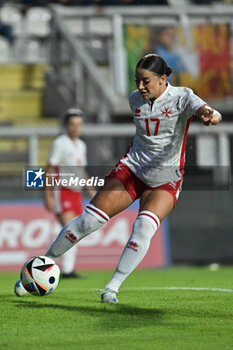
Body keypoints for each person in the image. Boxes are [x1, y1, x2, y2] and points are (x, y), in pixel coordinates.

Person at [14, 54, 222, 302]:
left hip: (166, 178)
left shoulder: (183, 96)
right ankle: (42, 265)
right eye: (137, 81)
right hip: (132, 170)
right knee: (87, 222)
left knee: (143, 226)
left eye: (145, 81)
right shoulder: (135, 99)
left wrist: (211, 115)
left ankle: (111, 288)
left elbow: (207, 110)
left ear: (163, 78)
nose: (140, 87)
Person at [45, 108, 95, 278]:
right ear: (66, 126)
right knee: (70, 231)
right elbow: (49, 169)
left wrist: (91, 190)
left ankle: (63, 268)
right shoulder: (60, 143)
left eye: (79, 125)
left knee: (73, 231)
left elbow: (82, 171)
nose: (76, 128)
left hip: (76, 192)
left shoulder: (81, 145)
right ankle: (61, 269)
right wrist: (48, 195)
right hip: (63, 191)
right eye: (72, 124)